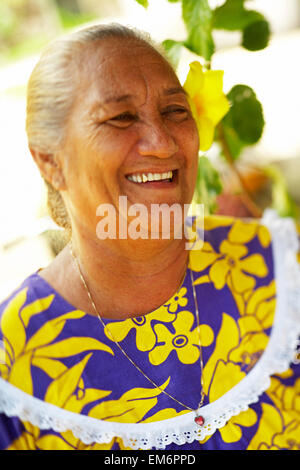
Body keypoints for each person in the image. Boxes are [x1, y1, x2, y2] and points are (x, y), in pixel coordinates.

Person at [0, 23, 299, 451]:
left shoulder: (277, 269)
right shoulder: (14, 366)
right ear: (50, 160)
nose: (161, 143)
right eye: (120, 118)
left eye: (176, 111)